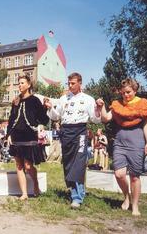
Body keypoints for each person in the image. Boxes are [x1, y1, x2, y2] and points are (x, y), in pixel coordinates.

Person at [96, 78, 147, 216]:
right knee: (119, 174)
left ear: (135, 90)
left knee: (135, 176)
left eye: (128, 92)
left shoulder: (144, 105)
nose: (125, 95)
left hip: (137, 141)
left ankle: (135, 206)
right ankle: (126, 196)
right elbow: (105, 119)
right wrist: (101, 107)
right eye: (123, 93)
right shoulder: (117, 105)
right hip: (120, 141)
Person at [44, 72, 102, 208]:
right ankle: (75, 189)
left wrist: (98, 108)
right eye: (68, 83)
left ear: (80, 83)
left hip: (80, 131)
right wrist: (50, 107)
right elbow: (55, 116)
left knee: (79, 162)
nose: (70, 86)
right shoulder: (64, 98)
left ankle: (77, 197)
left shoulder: (88, 99)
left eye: (73, 83)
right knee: (69, 162)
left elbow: (95, 118)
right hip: (66, 131)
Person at [7, 74, 49, 200]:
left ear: (29, 85)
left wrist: (45, 108)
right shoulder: (15, 101)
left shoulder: (34, 100)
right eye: (19, 83)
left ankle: (35, 182)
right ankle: (24, 193)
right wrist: (8, 134)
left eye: (22, 83)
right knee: (19, 165)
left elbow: (43, 118)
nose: (20, 85)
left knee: (28, 166)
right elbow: (11, 120)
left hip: (29, 135)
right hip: (16, 136)